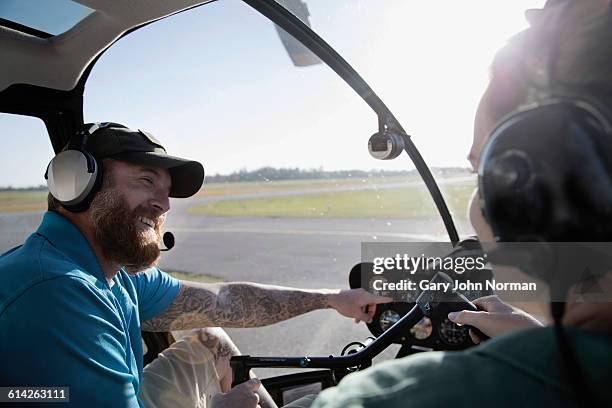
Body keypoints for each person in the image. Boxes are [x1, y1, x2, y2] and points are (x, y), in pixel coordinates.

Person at [310, 1, 612, 407]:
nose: (479, 206)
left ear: (543, 198)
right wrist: (538, 335)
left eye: (488, 176)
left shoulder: (397, 399)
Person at [0, 123, 392, 407]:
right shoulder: (58, 287)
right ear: (75, 183)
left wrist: (332, 299)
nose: (163, 205)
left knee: (209, 336)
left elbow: (223, 301)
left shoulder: (110, 272)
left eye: (166, 191)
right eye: (145, 180)